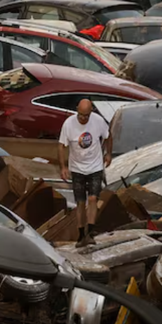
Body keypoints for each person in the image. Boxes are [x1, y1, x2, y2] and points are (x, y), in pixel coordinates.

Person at [58, 99, 113, 247]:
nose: (83, 118)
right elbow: (61, 146)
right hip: (77, 168)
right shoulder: (69, 124)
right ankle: (81, 234)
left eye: (86, 115)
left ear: (91, 113)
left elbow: (108, 136)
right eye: (81, 115)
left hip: (95, 167)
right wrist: (63, 167)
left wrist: (108, 154)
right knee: (80, 202)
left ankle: (90, 232)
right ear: (77, 110)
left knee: (93, 199)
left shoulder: (98, 121)